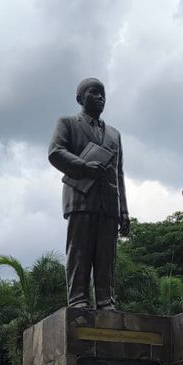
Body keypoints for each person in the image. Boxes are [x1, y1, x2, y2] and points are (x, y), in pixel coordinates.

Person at [48, 77, 129, 309]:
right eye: (95, 92)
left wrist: (124, 210)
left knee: (106, 256)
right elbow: (55, 151)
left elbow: (119, 174)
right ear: (80, 98)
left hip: (109, 203)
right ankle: (78, 300)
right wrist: (84, 167)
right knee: (79, 253)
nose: (101, 97)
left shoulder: (115, 135)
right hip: (81, 198)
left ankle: (106, 301)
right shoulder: (67, 123)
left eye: (104, 93)